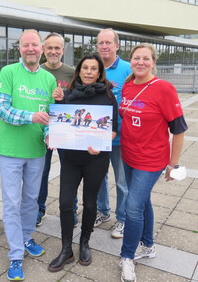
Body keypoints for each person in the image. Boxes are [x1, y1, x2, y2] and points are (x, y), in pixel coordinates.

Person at [118, 43, 187, 282]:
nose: (140, 62)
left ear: (153, 62)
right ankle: (148, 246)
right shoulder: (127, 86)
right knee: (142, 201)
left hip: (152, 160)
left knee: (132, 207)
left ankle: (127, 257)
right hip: (128, 156)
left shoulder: (164, 89)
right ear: (131, 60)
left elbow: (178, 130)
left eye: (146, 58)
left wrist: (173, 164)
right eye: (136, 58)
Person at [0, 29, 56, 281]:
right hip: (10, 151)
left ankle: (27, 236)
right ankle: (16, 255)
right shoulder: (9, 73)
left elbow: (50, 117)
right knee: (11, 203)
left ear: (41, 48)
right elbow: (2, 108)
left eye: (34, 45)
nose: (30, 49)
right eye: (25, 45)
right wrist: (31, 117)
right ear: (19, 48)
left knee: (31, 199)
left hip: (37, 151)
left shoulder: (49, 79)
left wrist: (49, 134)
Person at [48, 54, 118, 272]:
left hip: (95, 159)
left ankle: (85, 242)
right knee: (65, 203)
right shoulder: (67, 95)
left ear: (99, 72)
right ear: (79, 71)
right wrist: (53, 129)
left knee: (90, 203)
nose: (88, 72)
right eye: (85, 68)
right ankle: (66, 248)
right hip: (70, 159)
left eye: (93, 68)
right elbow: (58, 121)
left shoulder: (108, 96)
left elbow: (114, 130)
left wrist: (102, 141)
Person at [36, 32, 78, 228]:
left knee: (70, 171)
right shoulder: (36, 71)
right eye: (49, 47)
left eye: (57, 48)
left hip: (65, 130)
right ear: (43, 49)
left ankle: (71, 209)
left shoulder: (72, 73)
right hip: (40, 129)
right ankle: (39, 209)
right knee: (41, 172)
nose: (53, 51)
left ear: (63, 50)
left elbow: (78, 100)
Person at [95, 28, 131, 239]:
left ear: (117, 45)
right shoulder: (94, 68)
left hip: (120, 138)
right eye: (101, 43)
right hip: (98, 135)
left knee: (122, 181)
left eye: (109, 43)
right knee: (99, 178)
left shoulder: (127, 68)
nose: (105, 46)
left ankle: (123, 219)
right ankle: (102, 211)